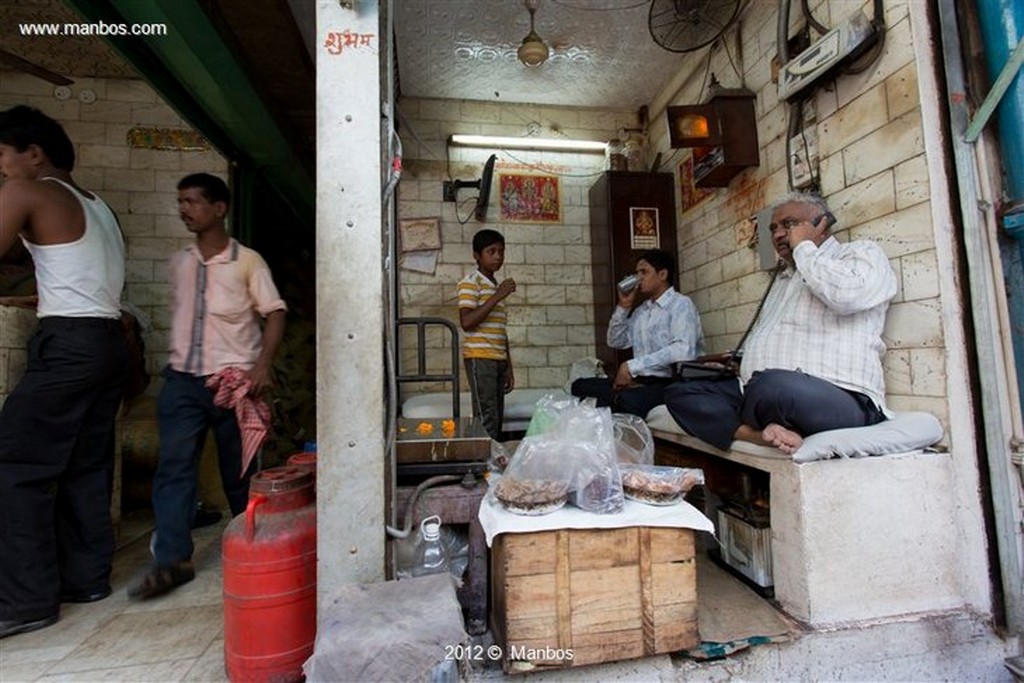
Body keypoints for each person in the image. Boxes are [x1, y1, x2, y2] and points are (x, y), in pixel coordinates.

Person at [0, 105, 129, 638]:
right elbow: (82, 279)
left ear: (34, 153)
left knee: (13, 465)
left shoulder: (28, 192)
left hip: (71, 343)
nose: (1, 169)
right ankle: (86, 578)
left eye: (2, 157)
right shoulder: (99, 208)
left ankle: (25, 600)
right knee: (85, 465)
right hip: (108, 341)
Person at [128, 173, 286, 600]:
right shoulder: (180, 262)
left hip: (233, 382)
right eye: (181, 201)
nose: (185, 209)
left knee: (240, 475)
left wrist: (262, 365)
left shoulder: (247, 262)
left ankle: (252, 548)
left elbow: (274, 313)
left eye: (194, 201)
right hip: (182, 380)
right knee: (175, 469)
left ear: (220, 209)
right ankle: (173, 561)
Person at [664, 192, 897, 454]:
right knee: (681, 392)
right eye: (773, 228)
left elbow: (847, 296)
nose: (777, 235)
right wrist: (739, 361)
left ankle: (766, 415)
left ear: (822, 223)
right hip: (767, 392)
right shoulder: (786, 277)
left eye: (789, 225)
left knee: (770, 387)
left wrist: (804, 248)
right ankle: (758, 434)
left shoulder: (858, 253)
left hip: (842, 396)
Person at [572, 249, 703, 417]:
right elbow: (616, 341)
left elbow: (683, 350)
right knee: (579, 385)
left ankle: (617, 405)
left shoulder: (681, 304)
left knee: (626, 399)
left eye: (644, 272)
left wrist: (631, 366)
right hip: (639, 379)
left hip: (670, 382)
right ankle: (617, 401)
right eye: (637, 272)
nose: (638, 278)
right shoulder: (642, 311)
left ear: (662, 274)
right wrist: (624, 306)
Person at [457, 229, 515, 440]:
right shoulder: (471, 282)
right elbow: (467, 322)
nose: (498, 256)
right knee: (486, 416)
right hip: (480, 357)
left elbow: (500, 332)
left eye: (501, 251)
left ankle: (492, 463)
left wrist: (508, 365)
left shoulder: (494, 287)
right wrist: (498, 296)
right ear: (476, 255)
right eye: (491, 251)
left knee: (497, 414)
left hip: (497, 359)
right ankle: (483, 467)